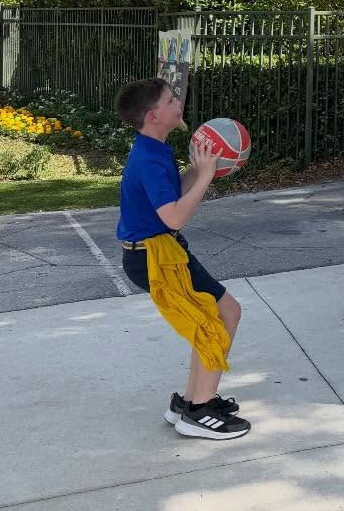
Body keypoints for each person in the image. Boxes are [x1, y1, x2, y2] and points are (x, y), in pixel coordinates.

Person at [114, 76, 249, 440]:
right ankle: (200, 411)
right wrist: (205, 177)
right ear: (154, 115)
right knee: (220, 317)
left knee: (221, 313)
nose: (179, 103)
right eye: (171, 100)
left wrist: (201, 168)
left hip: (162, 252)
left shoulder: (153, 149)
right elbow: (173, 216)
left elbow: (174, 194)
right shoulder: (150, 160)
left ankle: (190, 402)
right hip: (155, 258)